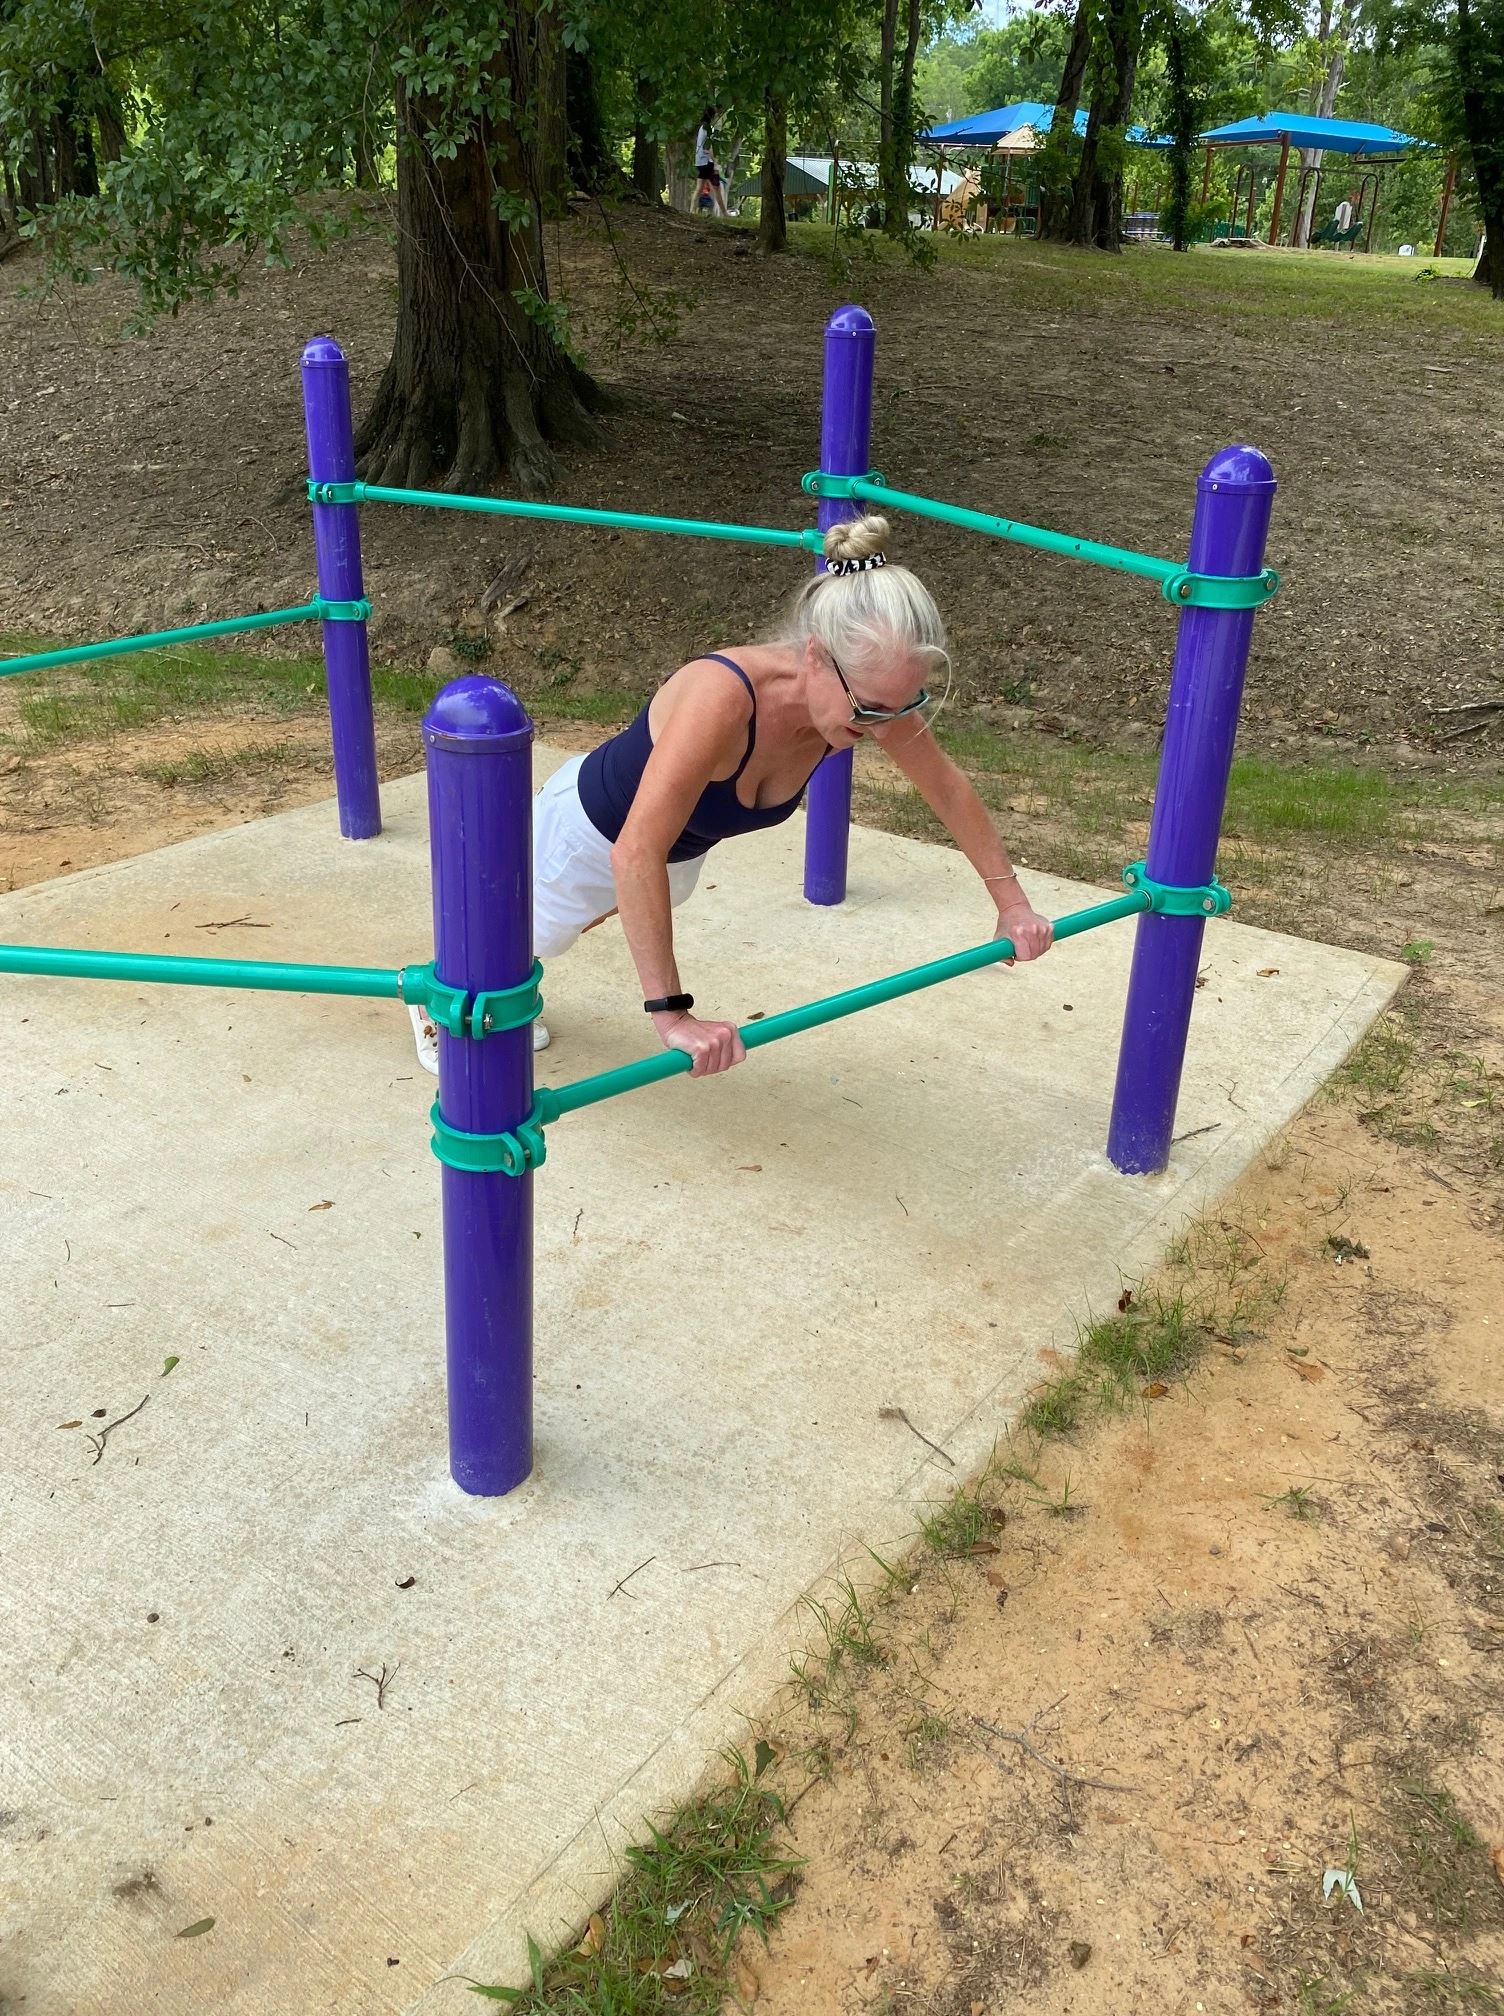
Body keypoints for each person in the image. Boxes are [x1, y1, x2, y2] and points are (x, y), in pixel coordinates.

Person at [408, 514, 1054, 1077]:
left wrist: (1012, 904)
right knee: (519, 939)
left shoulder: (872, 697)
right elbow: (634, 851)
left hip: (675, 857)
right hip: (583, 838)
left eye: (902, 704)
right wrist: (671, 1015)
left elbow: (945, 786)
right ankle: (436, 998)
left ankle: (498, 979)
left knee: (559, 932)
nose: (882, 726)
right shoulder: (722, 697)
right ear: (813, 657)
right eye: (870, 708)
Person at [694, 106, 730, 218]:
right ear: (713, 116)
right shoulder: (709, 129)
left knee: (699, 189)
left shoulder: (701, 128)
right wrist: (715, 163)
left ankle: (692, 210)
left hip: (700, 162)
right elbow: (709, 147)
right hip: (707, 163)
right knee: (717, 189)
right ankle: (724, 213)